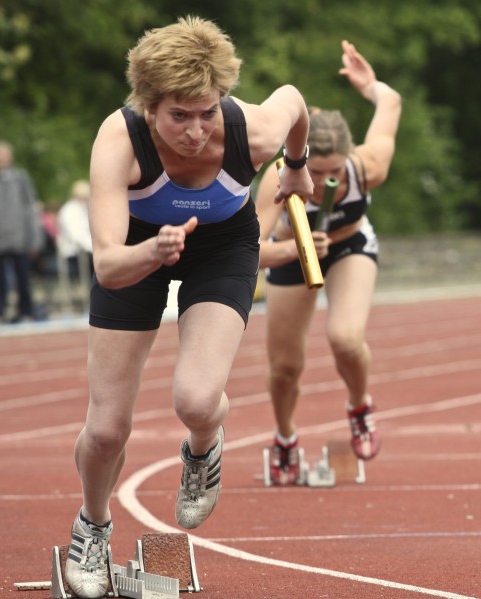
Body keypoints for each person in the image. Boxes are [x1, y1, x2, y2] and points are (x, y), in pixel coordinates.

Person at [64, 16, 312, 598]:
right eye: (179, 116)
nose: (197, 132)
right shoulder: (118, 140)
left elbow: (297, 102)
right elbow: (106, 264)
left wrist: (295, 171)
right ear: (149, 107)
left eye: (207, 112)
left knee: (198, 401)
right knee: (106, 430)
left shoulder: (251, 130)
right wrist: (154, 248)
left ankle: (204, 448)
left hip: (222, 246)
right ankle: (92, 525)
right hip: (137, 249)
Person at [254, 40, 401, 485]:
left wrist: (369, 84)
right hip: (289, 254)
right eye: (315, 172)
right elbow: (249, 249)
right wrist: (293, 250)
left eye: (332, 170)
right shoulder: (277, 179)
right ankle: (285, 437)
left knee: (344, 337)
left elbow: (391, 103)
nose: (323, 182)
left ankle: (359, 406)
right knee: (285, 368)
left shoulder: (366, 166)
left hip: (349, 246)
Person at [0, 140, 44, 323]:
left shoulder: (21, 179)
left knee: (23, 279)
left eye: (4, 155)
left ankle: (26, 311)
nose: (1, 159)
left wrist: (34, 238)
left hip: (20, 238)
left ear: (10, 157)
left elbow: (30, 209)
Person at [57, 180, 94, 307]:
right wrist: (93, 247)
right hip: (73, 254)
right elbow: (77, 236)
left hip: (84, 251)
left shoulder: (82, 209)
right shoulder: (69, 210)